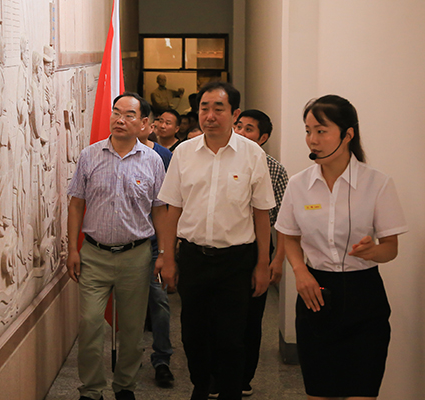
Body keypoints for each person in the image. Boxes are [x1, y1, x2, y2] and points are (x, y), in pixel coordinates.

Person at [275, 95, 408, 400]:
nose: (312, 140)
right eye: (308, 131)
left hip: (365, 297)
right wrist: (300, 271)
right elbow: (289, 236)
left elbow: (390, 249)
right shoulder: (298, 184)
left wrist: (372, 251)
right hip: (316, 294)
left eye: (321, 131)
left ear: (348, 134)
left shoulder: (377, 183)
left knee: (362, 391)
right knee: (320, 392)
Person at [157, 81, 275, 400]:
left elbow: (261, 214)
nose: (210, 115)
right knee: (193, 333)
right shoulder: (184, 153)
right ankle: (201, 386)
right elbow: (172, 209)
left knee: (232, 337)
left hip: (237, 260)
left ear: (234, 114)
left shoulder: (252, 154)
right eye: (204, 108)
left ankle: (230, 392)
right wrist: (167, 257)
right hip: (193, 258)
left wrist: (262, 264)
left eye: (218, 108)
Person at [66, 92, 168, 400]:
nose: (120, 120)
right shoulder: (90, 156)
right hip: (94, 255)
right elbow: (76, 204)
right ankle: (91, 389)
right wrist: (72, 249)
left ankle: (125, 386)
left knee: (133, 329)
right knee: (90, 323)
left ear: (143, 123)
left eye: (128, 115)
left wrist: (164, 253)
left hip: (136, 256)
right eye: (116, 112)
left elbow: (160, 210)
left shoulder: (152, 161)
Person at [234, 109, 289, 396]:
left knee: (251, 318)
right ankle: (218, 376)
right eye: (239, 126)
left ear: (263, 137)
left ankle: (244, 377)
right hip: (226, 248)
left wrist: (274, 260)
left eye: (249, 129)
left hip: (258, 250)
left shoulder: (275, 170)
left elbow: (283, 222)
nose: (241, 133)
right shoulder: (221, 159)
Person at [137, 116, 175, 387]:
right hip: (128, 244)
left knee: (159, 302)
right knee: (130, 305)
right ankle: (130, 354)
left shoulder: (163, 156)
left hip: (154, 243)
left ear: (146, 124)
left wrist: (168, 247)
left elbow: (169, 204)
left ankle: (162, 359)